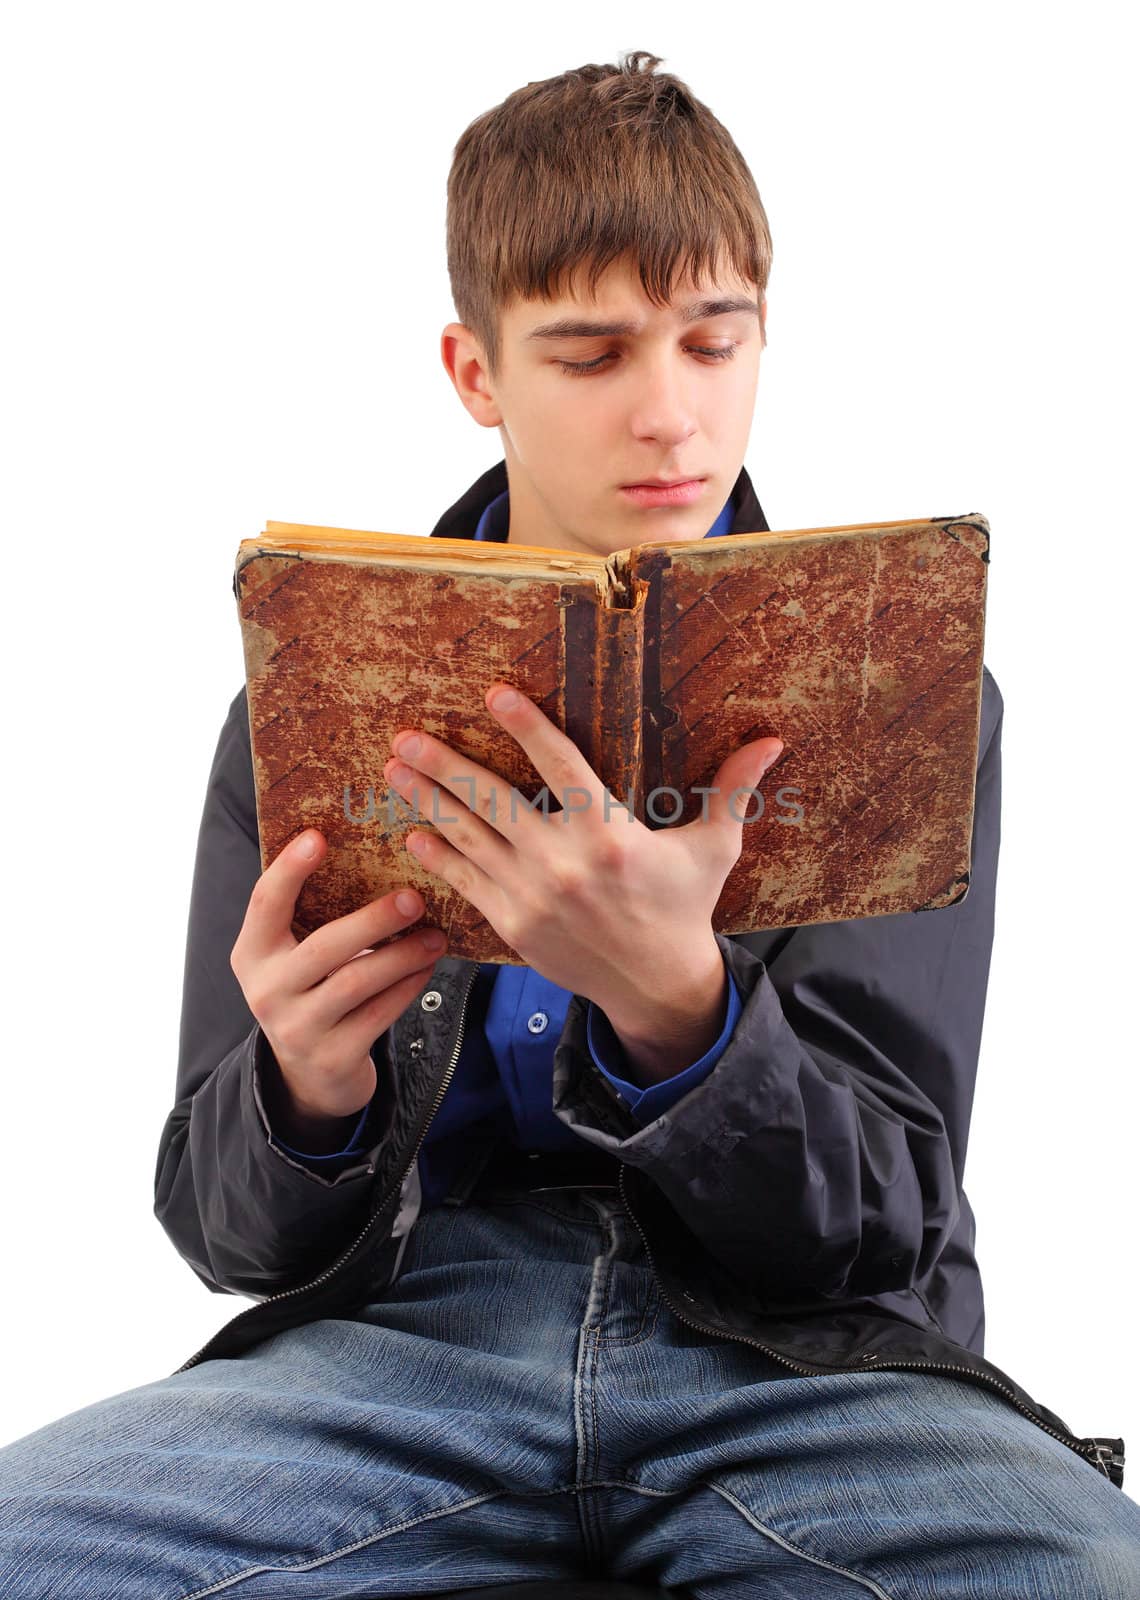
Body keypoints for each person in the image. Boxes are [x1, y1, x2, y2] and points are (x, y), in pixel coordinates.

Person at [1, 48, 1138, 1600]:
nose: (670, 415)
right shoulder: (310, 690)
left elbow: (882, 1223)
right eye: (592, 355)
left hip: (799, 1365)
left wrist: (682, 1017)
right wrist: (301, 1097)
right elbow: (224, 1228)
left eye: (713, 342)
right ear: (477, 372)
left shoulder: (902, 678)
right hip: (412, 1339)